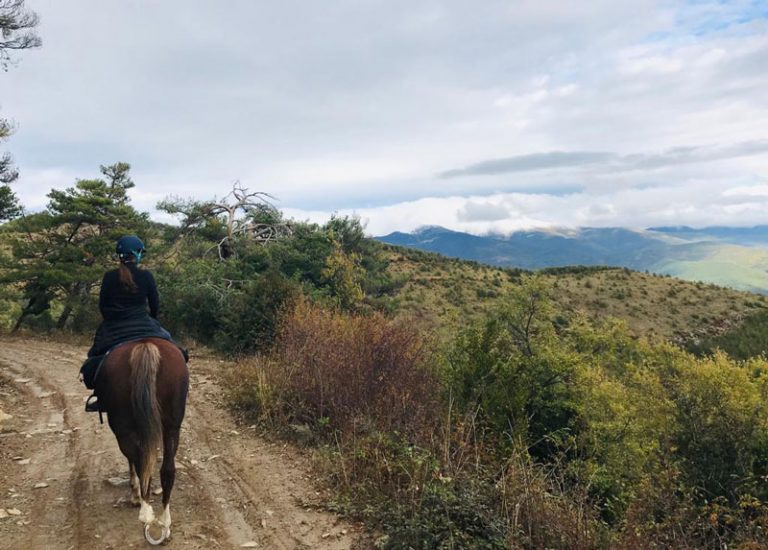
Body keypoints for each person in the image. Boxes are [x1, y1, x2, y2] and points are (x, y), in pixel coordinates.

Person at [82, 235, 185, 412]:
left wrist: (112, 320)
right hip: (145, 323)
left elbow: (103, 306)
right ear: (136, 254)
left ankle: (100, 397)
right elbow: (155, 306)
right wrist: (152, 321)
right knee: (177, 350)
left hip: (114, 326)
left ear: (120, 255)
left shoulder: (109, 277)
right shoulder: (146, 276)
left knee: (94, 358)